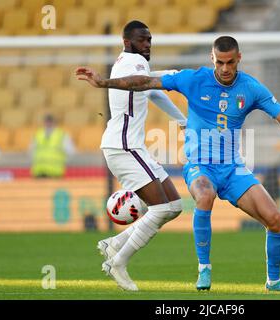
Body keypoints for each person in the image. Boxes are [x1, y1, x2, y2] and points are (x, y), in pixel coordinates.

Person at [75, 36, 280, 293]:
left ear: (239, 59)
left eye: (230, 63)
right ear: (211, 59)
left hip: (233, 169)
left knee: (275, 219)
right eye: (219, 63)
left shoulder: (251, 88)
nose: (225, 69)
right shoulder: (195, 79)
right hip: (200, 166)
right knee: (204, 195)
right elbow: (146, 82)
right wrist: (104, 83)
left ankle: (274, 281)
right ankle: (204, 268)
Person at [91, 21, 187, 291]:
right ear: (127, 42)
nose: (147, 45)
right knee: (162, 208)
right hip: (124, 147)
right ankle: (118, 262)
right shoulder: (132, 61)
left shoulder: (131, 63)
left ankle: (114, 244)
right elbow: (147, 82)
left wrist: (182, 121)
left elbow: (152, 88)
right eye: (142, 40)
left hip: (131, 147)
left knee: (175, 205)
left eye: (150, 40)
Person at [29, 114, 75, 178]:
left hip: (55, 172)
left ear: (54, 122)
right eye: (47, 121)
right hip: (39, 171)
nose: (48, 123)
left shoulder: (62, 135)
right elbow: (31, 151)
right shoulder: (38, 134)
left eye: (50, 121)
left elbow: (70, 152)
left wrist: (63, 164)